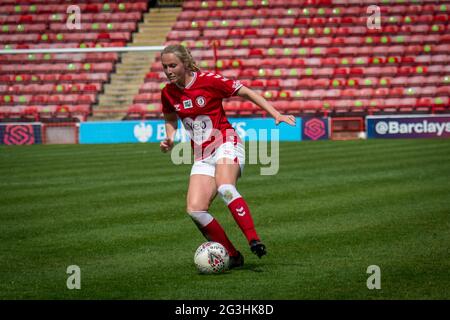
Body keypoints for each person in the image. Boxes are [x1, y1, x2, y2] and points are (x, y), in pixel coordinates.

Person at [159, 44, 296, 269]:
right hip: (202, 154)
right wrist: (170, 137)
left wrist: (276, 113)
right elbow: (170, 117)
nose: (169, 70)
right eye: (165, 67)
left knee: (225, 187)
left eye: (173, 65)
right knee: (195, 209)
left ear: (185, 63)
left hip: (226, 143)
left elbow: (245, 91)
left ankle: (253, 239)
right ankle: (233, 256)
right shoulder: (168, 92)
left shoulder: (209, 81)